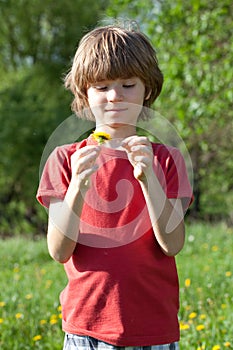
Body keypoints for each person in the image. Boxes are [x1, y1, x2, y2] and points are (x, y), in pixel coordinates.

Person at [37, 24, 193, 350]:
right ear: (84, 93)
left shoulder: (167, 160)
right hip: (85, 329)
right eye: (102, 87)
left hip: (153, 329)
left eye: (127, 84)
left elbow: (172, 244)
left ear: (147, 90)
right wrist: (78, 186)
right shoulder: (64, 160)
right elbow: (59, 250)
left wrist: (149, 177)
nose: (114, 96)